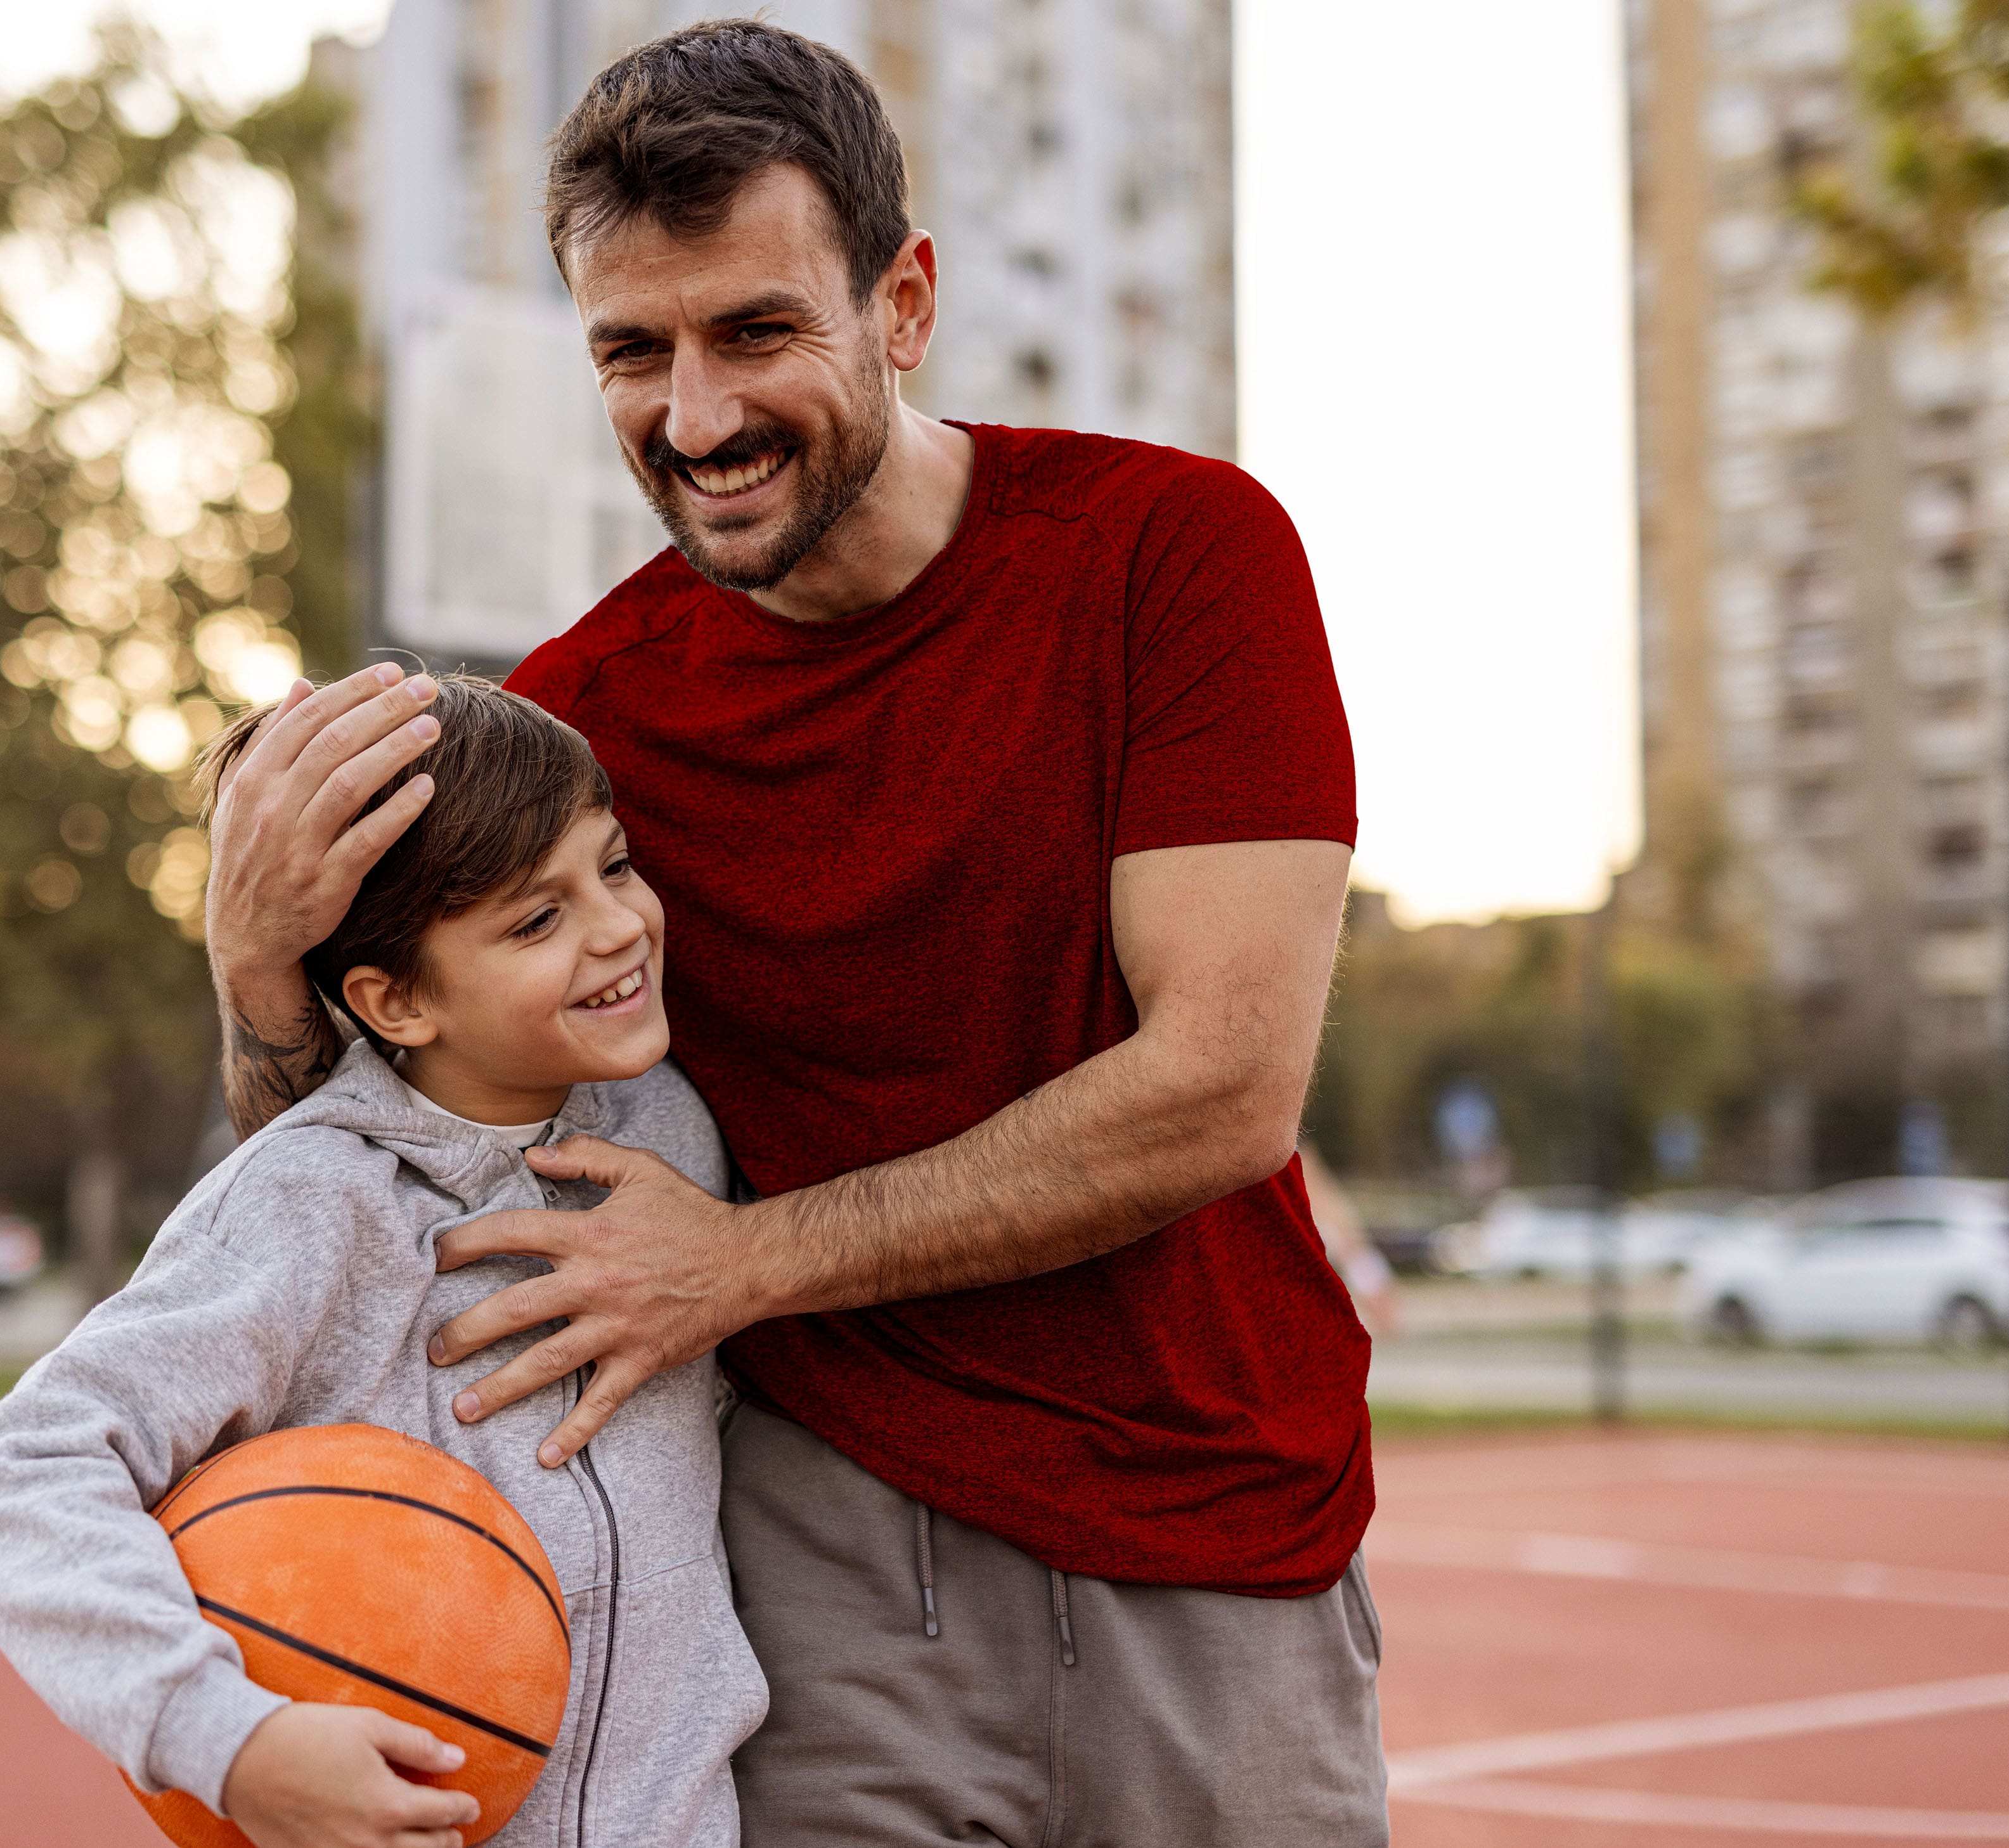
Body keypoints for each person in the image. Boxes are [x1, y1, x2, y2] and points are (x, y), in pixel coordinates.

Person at [204, 20, 1386, 1844]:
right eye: (633, 352)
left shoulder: (1177, 556)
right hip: (831, 1558)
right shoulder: (582, 722)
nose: (696, 418)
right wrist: (258, 976)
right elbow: (387, 1185)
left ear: (900, 305)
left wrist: (744, 1260)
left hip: (1214, 1519)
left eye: (756, 332)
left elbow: (1223, 1089)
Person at [0, 679, 767, 1848]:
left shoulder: (667, 1120)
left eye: (615, 865)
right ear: (395, 1001)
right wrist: (228, 1738)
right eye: (536, 921)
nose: (620, 924)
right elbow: (19, 1472)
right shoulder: (311, 1198)